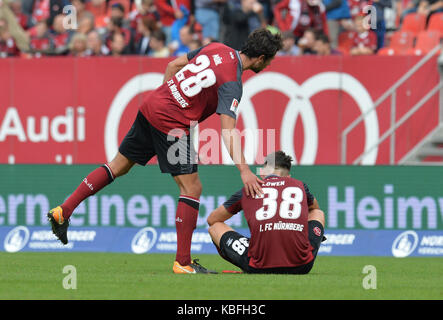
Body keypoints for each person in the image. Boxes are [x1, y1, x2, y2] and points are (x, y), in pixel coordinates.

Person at [47, 27, 283, 274]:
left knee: (117, 166)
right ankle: (182, 263)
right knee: (192, 188)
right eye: (269, 61)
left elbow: (173, 65)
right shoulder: (233, 83)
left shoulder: (217, 48)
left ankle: (63, 211)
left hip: (153, 104)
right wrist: (244, 171)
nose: (267, 66)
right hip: (171, 122)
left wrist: (169, 99)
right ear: (260, 59)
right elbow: (228, 131)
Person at [207, 151, 326, 274]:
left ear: (263, 173)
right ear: (288, 176)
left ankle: (247, 263)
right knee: (318, 213)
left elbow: (212, 219)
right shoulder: (300, 186)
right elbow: (314, 208)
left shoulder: (250, 188)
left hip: (258, 266)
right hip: (302, 265)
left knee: (215, 227)